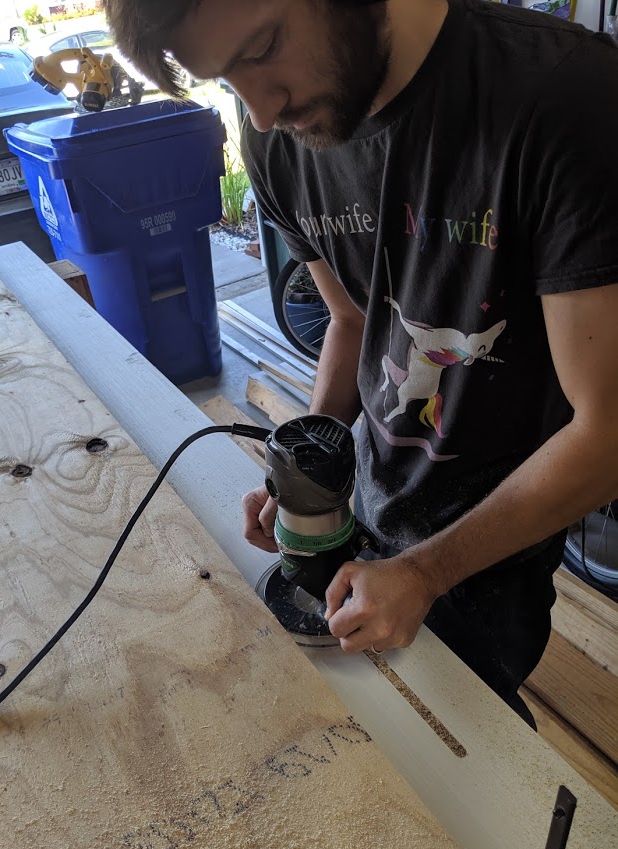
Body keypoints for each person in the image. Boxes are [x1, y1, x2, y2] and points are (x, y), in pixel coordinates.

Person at [104, 0, 618, 724]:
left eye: (264, 47)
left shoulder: (566, 96)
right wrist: (306, 466)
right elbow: (348, 319)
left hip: (487, 551)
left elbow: (606, 431)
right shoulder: (281, 141)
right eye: (225, 80)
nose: (260, 110)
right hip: (366, 503)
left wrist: (423, 571)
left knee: (468, 754)